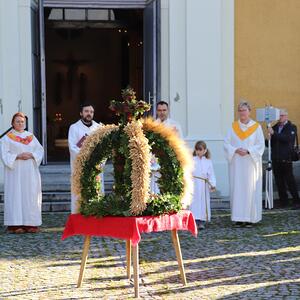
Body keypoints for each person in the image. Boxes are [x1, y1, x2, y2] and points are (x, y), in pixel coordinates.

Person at [1, 112, 44, 234]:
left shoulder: (30, 137)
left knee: (30, 195)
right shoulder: (7, 138)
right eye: (18, 121)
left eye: (22, 121)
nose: (20, 123)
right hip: (15, 171)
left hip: (30, 172)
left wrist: (31, 155)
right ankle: (15, 225)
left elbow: (39, 150)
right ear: (12, 123)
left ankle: (30, 223)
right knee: (16, 196)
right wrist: (17, 156)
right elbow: (4, 154)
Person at [224, 101, 265, 227]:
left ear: (249, 111)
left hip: (250, 163)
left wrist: (248, 151)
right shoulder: (233, 127)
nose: (242, 112)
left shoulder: (256, 127)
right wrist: (235, 149)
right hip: (237, 163)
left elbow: (260, 145)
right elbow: (226, 143)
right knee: (237, 189)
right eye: (240, 110)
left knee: (250, 189)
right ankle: (238, 217)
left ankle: (249, 218)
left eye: (244, 110)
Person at [68, 103, 103, 213]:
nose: (89, 114)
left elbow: (103, 146)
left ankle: (97, 212)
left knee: (96, 189)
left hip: (95, 165)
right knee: (80, 190)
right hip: (80, 165)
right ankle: (78, 213)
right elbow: (72, 146)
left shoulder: (99, 127)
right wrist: (86, 156)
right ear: (81, 113)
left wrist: (97, 158)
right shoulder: (74, 128)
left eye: (91, 112)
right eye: (86, 111)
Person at [267, 109, 300, 209]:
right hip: (275, 159)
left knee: (290, 181)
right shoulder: (275, 127)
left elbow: (287, 139)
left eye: (282, 115)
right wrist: (267, 140)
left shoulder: (292, 127)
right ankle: (284, 202)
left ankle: (296, 201)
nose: (280, 117)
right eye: (279, 116)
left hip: (286, 158)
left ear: (286, 116)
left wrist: (274, 133)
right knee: (279, 182)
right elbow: (271, 143)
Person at [190, 141, 216, 230]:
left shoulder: (208, 162)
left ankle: (202, 221)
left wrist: (212, 184)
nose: (198, 152)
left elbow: (211, 174)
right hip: (195, 184)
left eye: (200, 150)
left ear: (205, 150)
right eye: (197, 150)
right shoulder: (192, 160)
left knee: (203, 203)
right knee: (195, 202)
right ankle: (194, 221)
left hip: (204, 185)